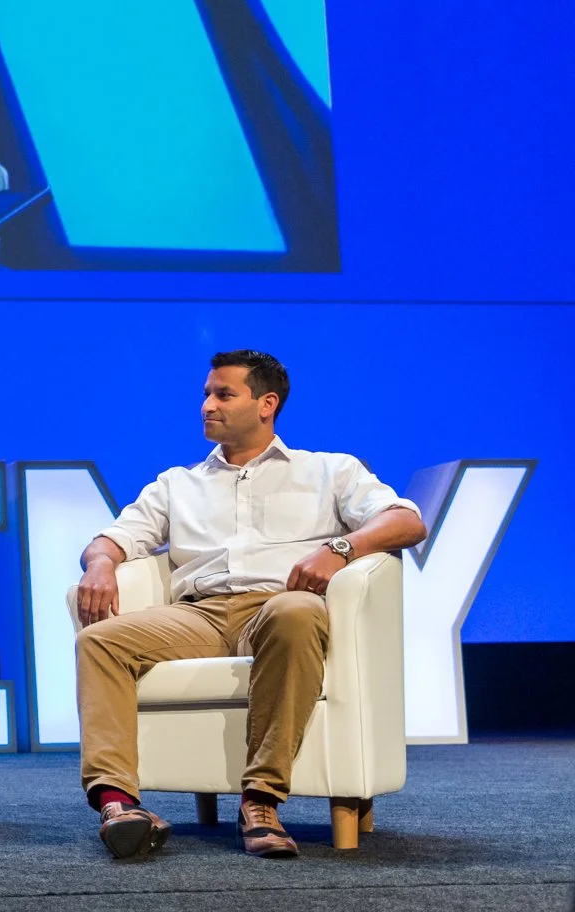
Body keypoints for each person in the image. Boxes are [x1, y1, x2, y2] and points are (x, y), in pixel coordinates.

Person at [72, 350, 427, 860]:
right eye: (206, 395)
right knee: (100, 640)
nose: (206, 406)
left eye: (223, 394)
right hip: (198, 613)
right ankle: (118, 803)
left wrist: (339, 548)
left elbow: (407, 521)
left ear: (267, 404)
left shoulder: (330, 470)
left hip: (278, 605)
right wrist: (101, 565)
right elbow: (112, 538)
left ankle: (260, 800)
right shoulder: (178, 483)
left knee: (296, 611)